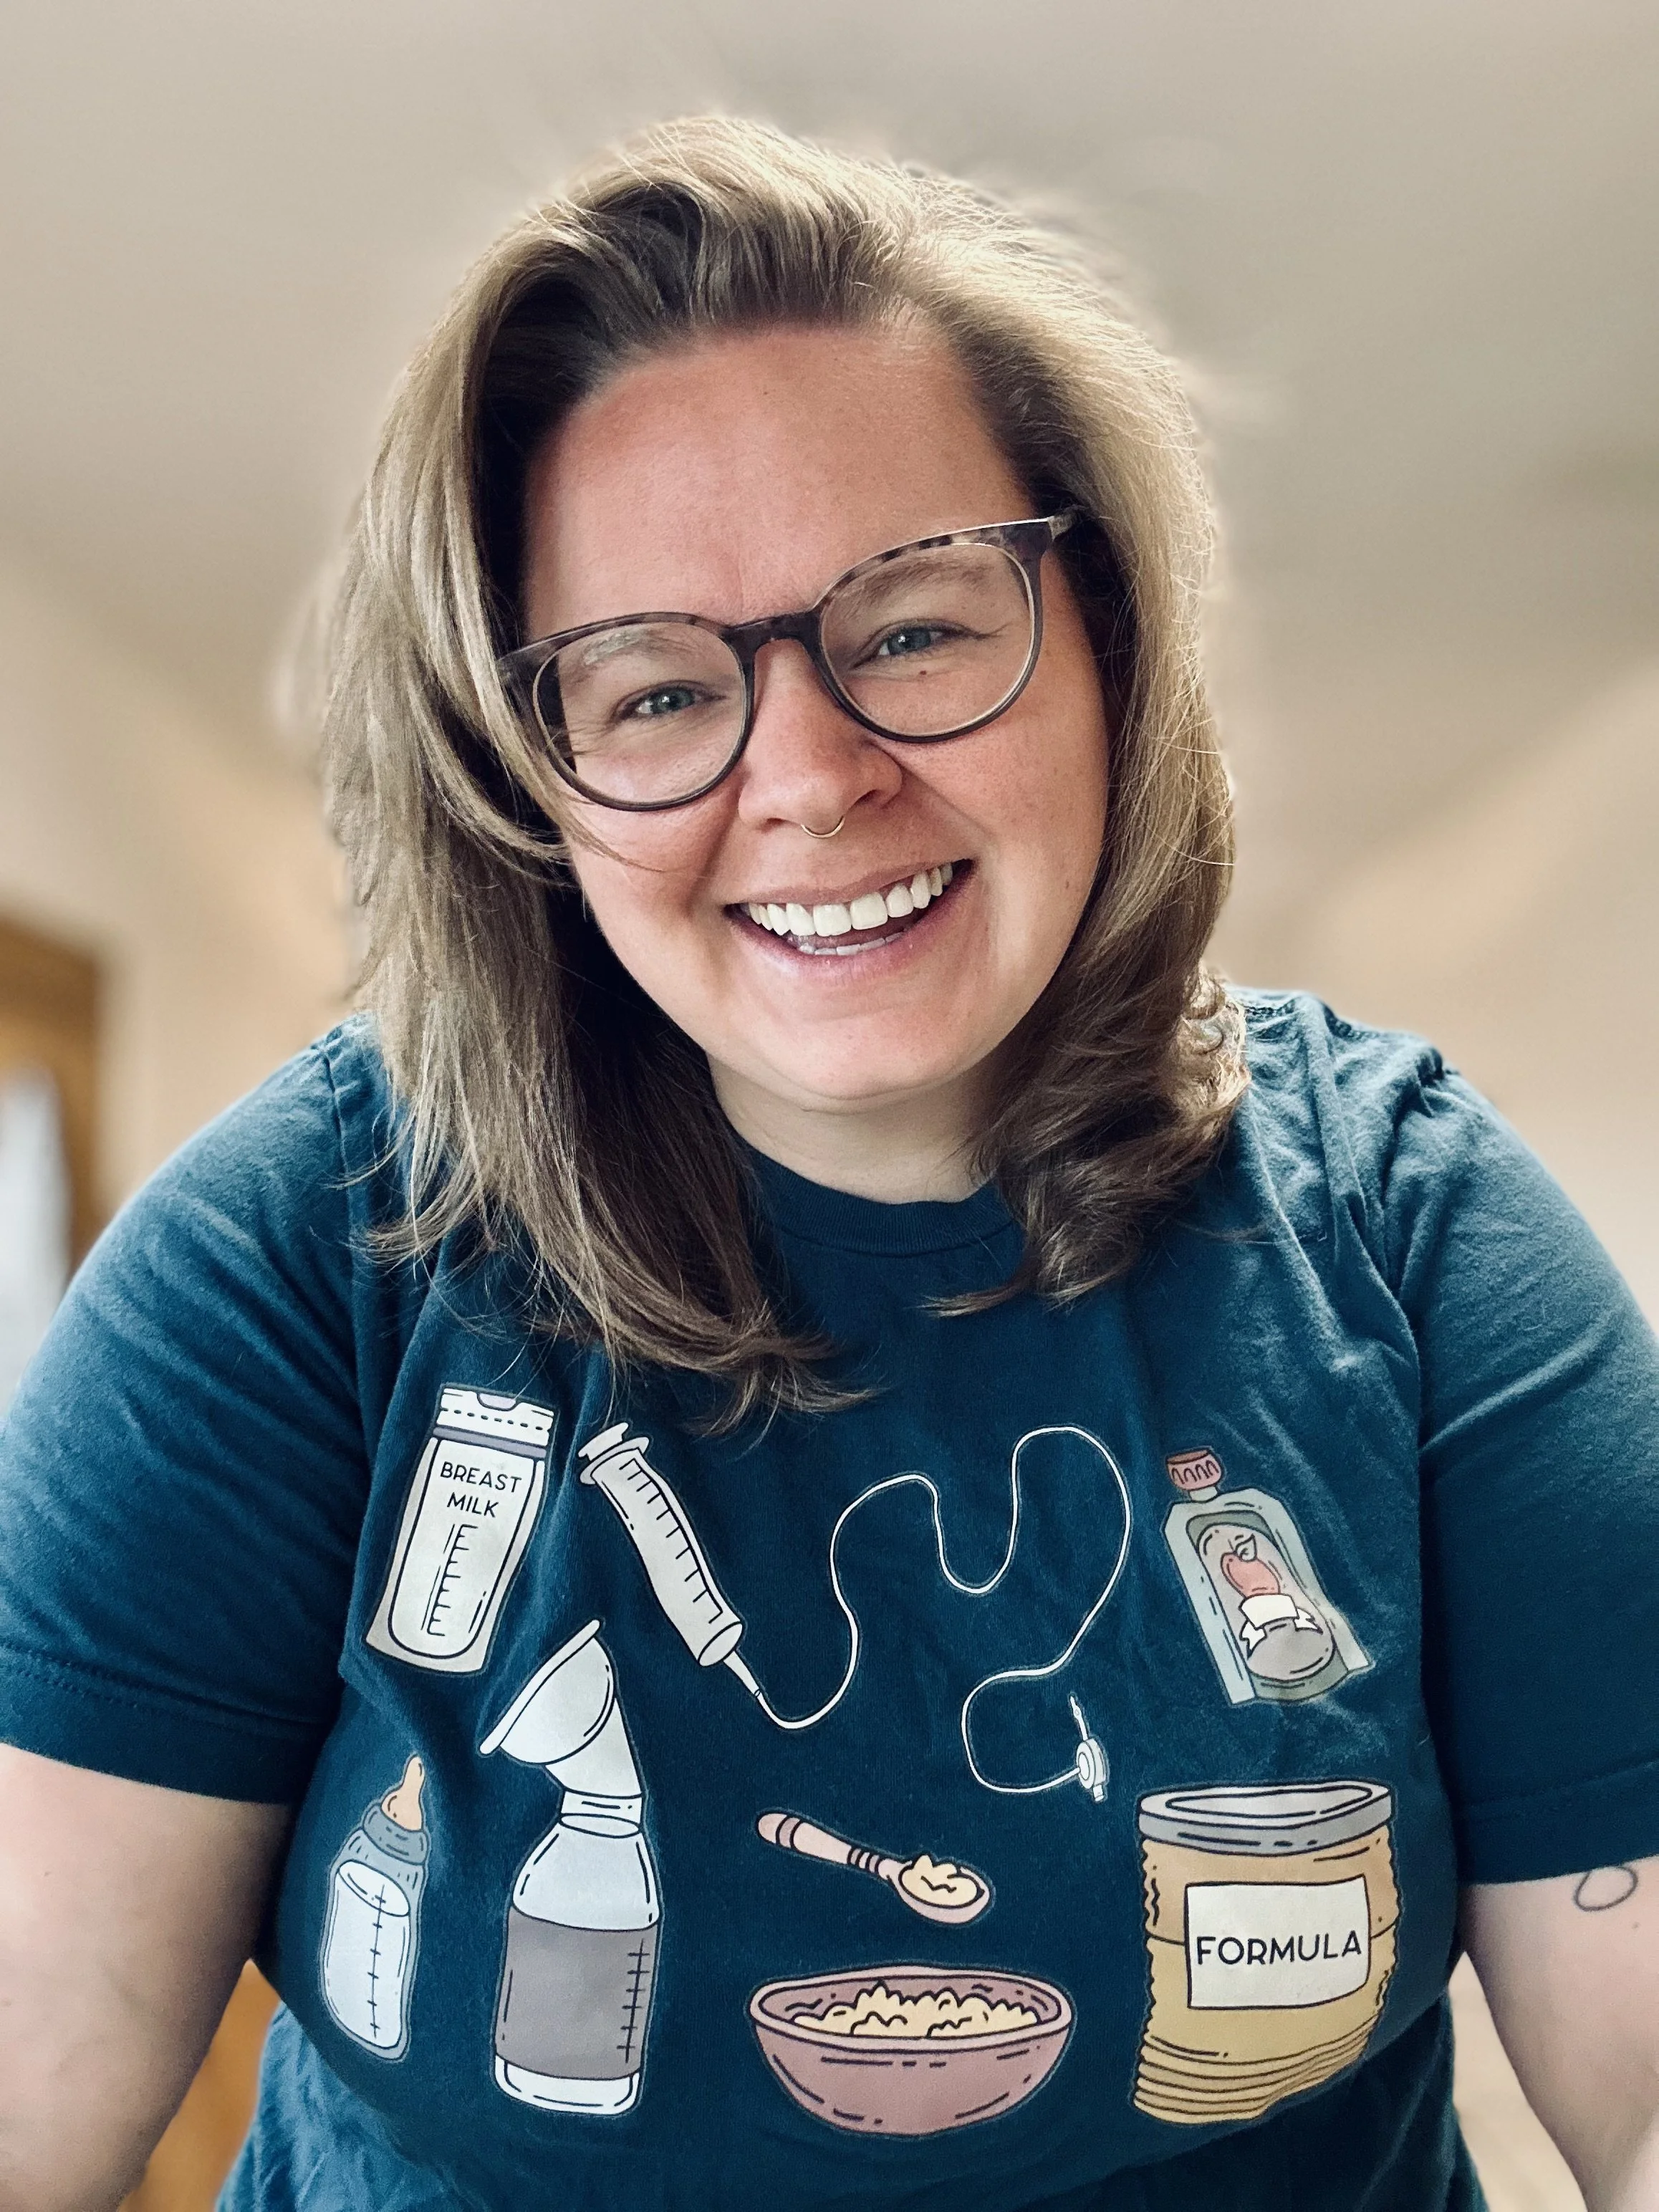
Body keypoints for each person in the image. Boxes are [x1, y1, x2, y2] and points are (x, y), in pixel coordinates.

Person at [0, 115, 1655, 2212]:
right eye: (653, 688)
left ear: (1107, 642)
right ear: (529, 783)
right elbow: (38, 2037)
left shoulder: (1408, 1230)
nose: (805, 778)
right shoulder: (298, 1256)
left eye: (912, 630)